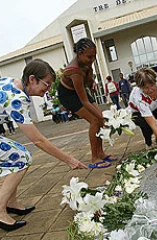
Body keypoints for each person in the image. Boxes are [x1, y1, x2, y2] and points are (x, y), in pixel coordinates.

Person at [0, 59, 87, 235]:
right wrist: (69, 159)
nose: (48, 89)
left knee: (16, 155)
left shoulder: (8, 81)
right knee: (22, 158)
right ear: (32, 79)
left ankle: (10, 203)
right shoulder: (18, 99)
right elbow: (38, 140)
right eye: (47, 84)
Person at [57, 38, 117, 169]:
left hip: (80, 91)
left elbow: (89, 76)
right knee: (95, 120)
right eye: (90, 56)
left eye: (94, 56)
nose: (92, 59)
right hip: (68, 95)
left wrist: (92, 84)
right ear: (79, 53)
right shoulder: (74, 70)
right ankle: (94, 158)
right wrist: (101, 117)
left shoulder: (86, 61)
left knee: (99, 119)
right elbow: (84, 101)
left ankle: (100, 153)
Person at [128, 68, 157, 151]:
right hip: (137, 112)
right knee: (146, 124)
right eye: (146, 88)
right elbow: (153, 124)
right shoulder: (139, 98)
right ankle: (148, 143)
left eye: (152, 85)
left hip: (154, 107)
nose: (150, 90)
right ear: (140, 87)